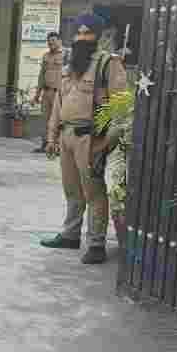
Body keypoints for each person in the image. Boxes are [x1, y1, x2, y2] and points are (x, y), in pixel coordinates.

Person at [40, 13, 127, 265]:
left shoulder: (108, 64)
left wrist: (106, 142)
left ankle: (96, 244)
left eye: (87, 34)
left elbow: (121, 106)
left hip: (91, 138)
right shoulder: (70, 67)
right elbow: (58, 105)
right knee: (72, 189)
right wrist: (51, 136)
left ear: (97, 37)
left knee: (94, 192)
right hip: (67, 135)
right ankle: (70, 234)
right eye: (78, 34)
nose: (81, 38)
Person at [32, 32, 65, 153]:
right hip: (46, 92)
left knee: (58, 119)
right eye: (49, 42)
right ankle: (45, 144)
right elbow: (41, 75)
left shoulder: (65, 56)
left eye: (53, 41)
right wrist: (37, 94)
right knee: (45, 119)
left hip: (59, 93)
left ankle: (57, 146)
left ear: (59, 41)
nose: (51, 44)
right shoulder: (46, 56)